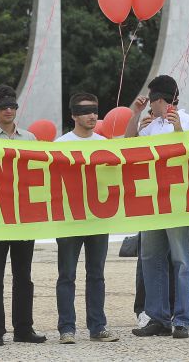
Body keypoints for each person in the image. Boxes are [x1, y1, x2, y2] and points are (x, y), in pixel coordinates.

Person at [127, 75, 189, 339]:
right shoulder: (151, 125)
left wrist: (179, 128)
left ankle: (182, 319)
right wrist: (135, 115)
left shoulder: (187, 120)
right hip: (153, 200)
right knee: (150, 258)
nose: (150, 105)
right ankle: (157, 317)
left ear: (161, 100)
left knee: (181, 259)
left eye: (152, 100)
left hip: (178, 200)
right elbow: (127, 144)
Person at [0, 84, 46, 346]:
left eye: (12, 106)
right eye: (4, 106)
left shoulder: (29, 139)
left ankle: (23, 328)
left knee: (23, 276)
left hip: (22, 216)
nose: (9, 110)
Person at [55, 93, 118, 344]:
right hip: (69, 218)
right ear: (73, 115)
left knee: (96, 274)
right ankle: (66, 328)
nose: (93, 115)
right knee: (66, 274)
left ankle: (97, 326)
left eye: (95, 110)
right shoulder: (60, 144)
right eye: (86, 111)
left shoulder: (105, 143)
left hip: (98, 218)